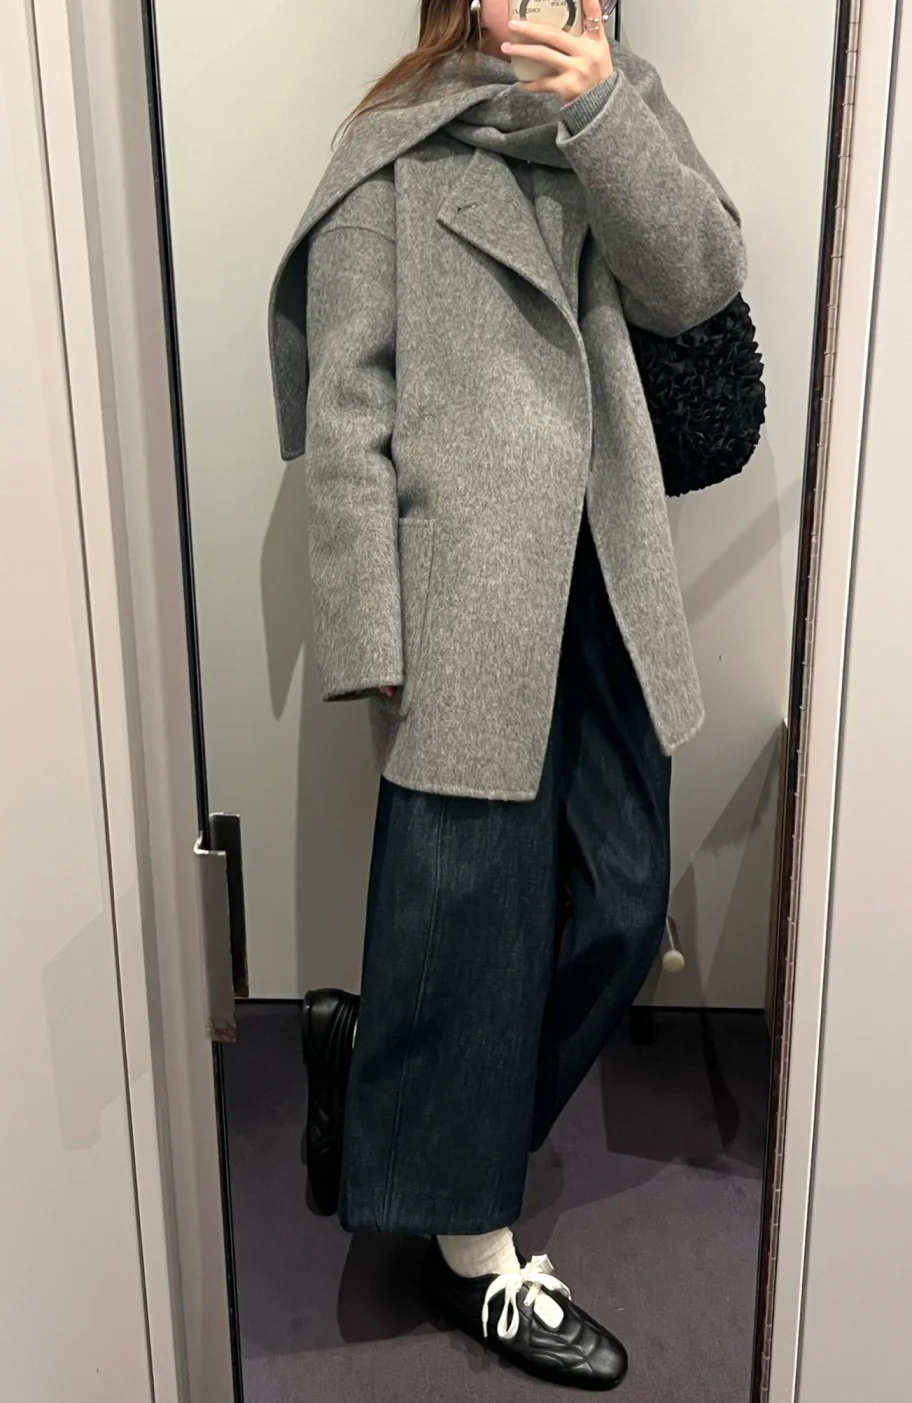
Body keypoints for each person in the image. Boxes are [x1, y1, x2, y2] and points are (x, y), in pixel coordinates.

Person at [268, 0, 746, 1388]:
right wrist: (370, 624)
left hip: (605, 568)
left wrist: (602, 110)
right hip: (467, 588)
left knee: (624, 896)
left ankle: (394, 1097)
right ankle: (473, 1245)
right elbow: (349, 406)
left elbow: (699, 282)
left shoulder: (621, 101)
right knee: (469, 920)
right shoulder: (393, 143)